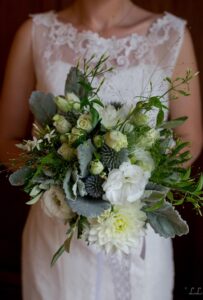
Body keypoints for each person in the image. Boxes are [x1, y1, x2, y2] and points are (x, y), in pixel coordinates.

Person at [0, 0, 202, 299]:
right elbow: (7, 139)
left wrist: (132, 187)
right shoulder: (35, 33)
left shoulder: (171, 35)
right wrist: (63, 176)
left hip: (136, 228)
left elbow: (189, 137)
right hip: (57, 232)